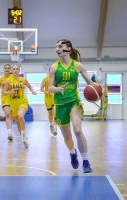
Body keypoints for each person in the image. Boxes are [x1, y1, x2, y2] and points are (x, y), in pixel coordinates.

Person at [48, 39, 93, 173]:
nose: (57, 49)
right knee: (67, 138)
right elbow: (50, 88)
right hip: (60, 104)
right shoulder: (54, 67)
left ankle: (85, 161)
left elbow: (90, 83)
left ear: (68, 48)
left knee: (78, 130)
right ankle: (72, 152)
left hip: (74, 102)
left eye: (60, 46)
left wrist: (97, 91)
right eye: (56, 47)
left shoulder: (78, 66)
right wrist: (58, 89)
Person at [3, 64, 36, 148]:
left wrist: (32, 91)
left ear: (19, 70)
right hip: (13, 103)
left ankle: (23, 135)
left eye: (17, 69)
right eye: (13, 69)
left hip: (22, 102)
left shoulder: (23, 80)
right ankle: (22, 136)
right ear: (11, 71)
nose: (15, 70)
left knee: (20, 116)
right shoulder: (8, 81)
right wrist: (9, 92)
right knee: (18, 123)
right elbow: (4, 92)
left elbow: (29, 86)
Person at [0, 64, 13, 141]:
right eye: (5, 68)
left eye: (8, 68)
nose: (7, 69)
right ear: (3, 69)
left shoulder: (13, 77)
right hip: (5, 98)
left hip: (13, 98)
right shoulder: (1, 79)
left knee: (15, 116)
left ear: (10, 69)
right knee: (8, 114)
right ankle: (9, 133)